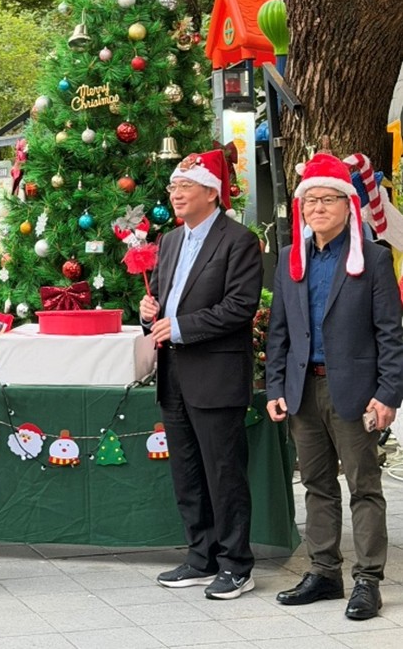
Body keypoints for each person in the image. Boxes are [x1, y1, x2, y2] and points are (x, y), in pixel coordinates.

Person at [266, 152, 403, 621]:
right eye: (311, 200)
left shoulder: (374, 259)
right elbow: (279, 332)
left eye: (328, 199)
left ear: (347, 204)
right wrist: (274, 389)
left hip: (355, 392)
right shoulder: (290, 259)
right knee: (317, 486)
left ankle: (368, 580)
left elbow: (391, 333)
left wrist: (388, 396)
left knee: (364, 486)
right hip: (303, 389)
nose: (318, 208)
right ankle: (324, 572)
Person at [139, 149, 263, 600]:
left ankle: (236, 564)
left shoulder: (239, 240)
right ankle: (200, 555)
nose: (175, 195)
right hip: (173, 374)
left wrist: (183, 325)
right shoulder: (171, 242)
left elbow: (240, 307)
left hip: (216, 374)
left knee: (223, 472)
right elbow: (166, 305)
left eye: (184, 187)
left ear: (212, 192)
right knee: (187, 472)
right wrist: (149, 313)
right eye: (173, 187)